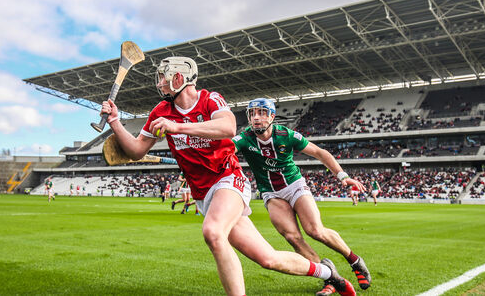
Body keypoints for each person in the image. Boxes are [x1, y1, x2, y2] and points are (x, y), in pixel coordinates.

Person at [101, 56, 356, 296]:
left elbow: (227, 127)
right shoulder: (160, 111)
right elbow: (135, 151)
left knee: (213, 232)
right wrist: (115, 121)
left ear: (178, 78)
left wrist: (178, 126)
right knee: (267, 258)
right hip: (203, 194)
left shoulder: (210, 99)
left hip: (227, 179)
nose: (159, 83)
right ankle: (328, 272)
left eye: (162, 77)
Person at [233, 98, 371, 295]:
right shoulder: (244, 138)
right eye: (252, 113)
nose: (256, 118)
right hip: (271, 192)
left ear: (272, 116)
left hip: (294, 185)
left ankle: (355, 260)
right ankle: (331, 277)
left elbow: (319, 153)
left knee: (315, 230)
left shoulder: (286, 135)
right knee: (293, 237)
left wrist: (343, 176)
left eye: (262, 113)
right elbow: (225, 150)